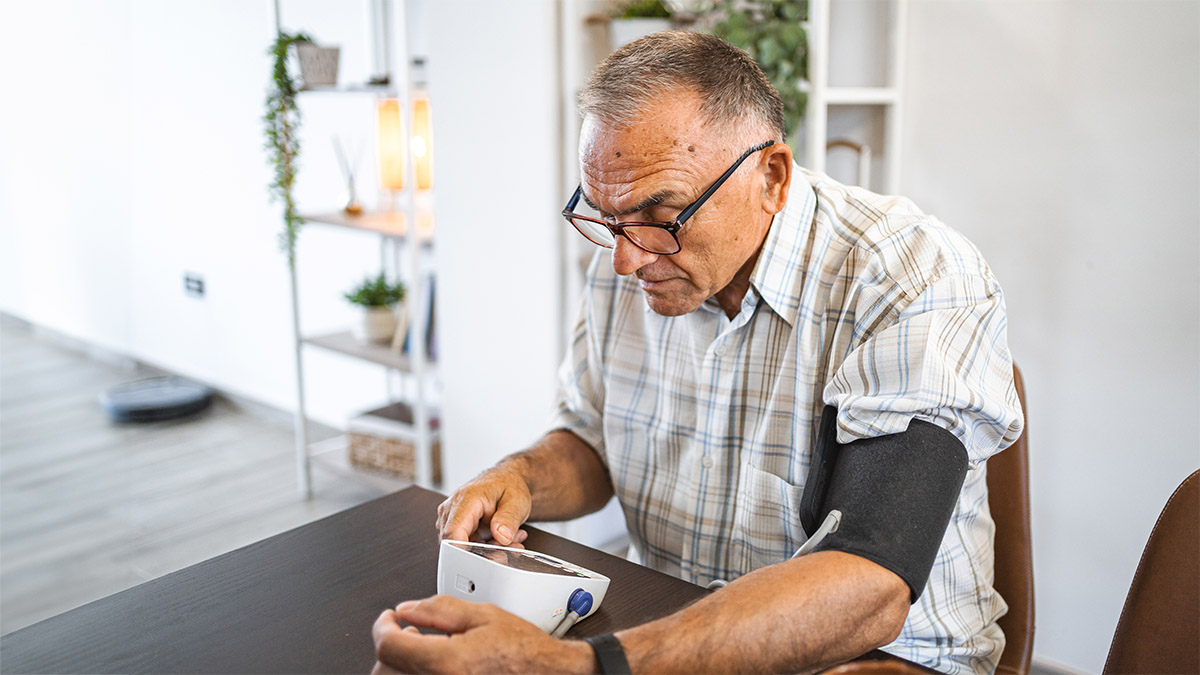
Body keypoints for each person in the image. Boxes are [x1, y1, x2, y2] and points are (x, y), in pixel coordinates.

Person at [372, 30, 1023, 675]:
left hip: (877, 657)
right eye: (606, 216)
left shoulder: (914, 280)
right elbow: (591, 443)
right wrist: (519, 477)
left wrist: (577, 666)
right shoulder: (630, 255)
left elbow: (871, 580)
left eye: (662, 213)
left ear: (771, 176)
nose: (626, 258)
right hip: (672, 635)